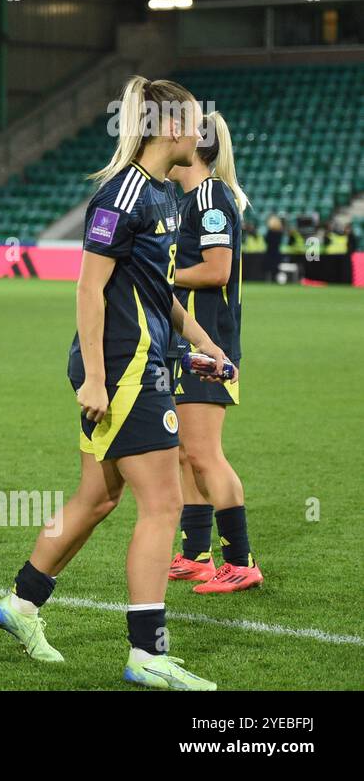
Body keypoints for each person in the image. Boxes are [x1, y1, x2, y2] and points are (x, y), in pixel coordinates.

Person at [0, 75, 232, 690]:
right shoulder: (122, 196)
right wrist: (96, 378)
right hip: (123, 369)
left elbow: (159, 295)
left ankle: (20, 604)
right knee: (165, 504)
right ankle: (147, 654)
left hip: (143, 360)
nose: (198, 131)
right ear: (167, 126)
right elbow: (88, 288)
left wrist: (204, 346)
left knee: (96, 499)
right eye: (191, 120)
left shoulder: (167, 196)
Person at [167, 110, 262, 593]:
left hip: (212, 346)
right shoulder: (188, 199)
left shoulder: (210, 199)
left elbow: (217, 270)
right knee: (186, 454)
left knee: (204, 454)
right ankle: (196, 555)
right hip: (187, 344)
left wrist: (158, 275)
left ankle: (241, 561)